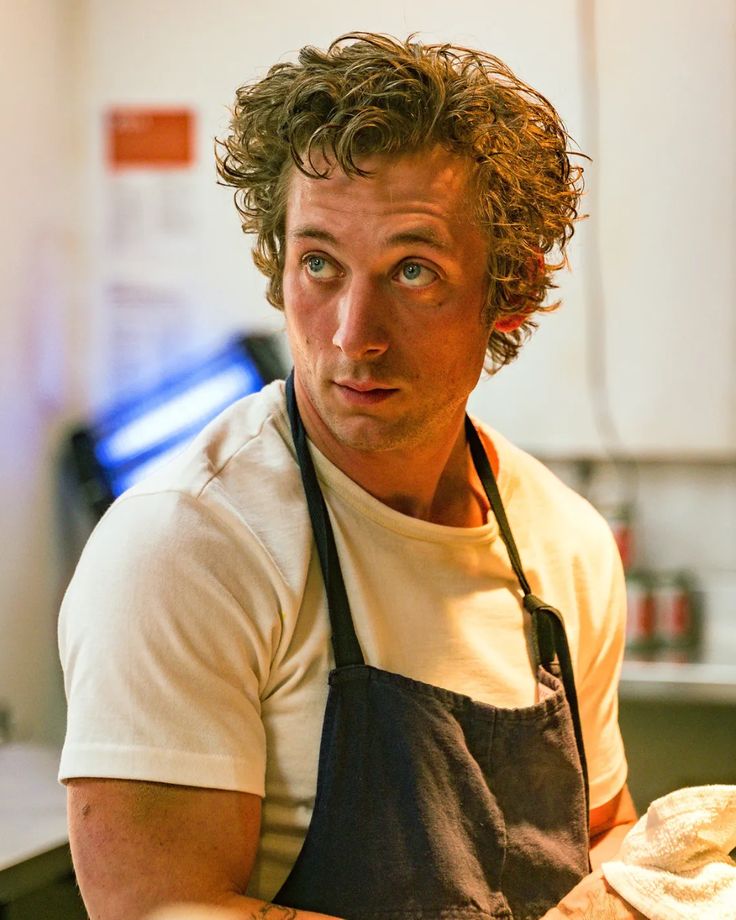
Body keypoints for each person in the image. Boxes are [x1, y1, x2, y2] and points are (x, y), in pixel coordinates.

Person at [59, 32, 643, 920]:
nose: (351, 334)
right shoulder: (186, 548)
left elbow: (599, 838)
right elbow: (157, 909)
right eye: (320, 264)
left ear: (509, 289)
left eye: (414, 271)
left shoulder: (566, 546)